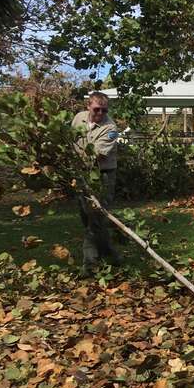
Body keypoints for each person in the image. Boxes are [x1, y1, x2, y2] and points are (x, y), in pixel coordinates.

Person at [71, 92, 121, 273]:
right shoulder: (78, 119)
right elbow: (70, 140)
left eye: (104, 110)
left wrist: (73, 158)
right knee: (86, 217)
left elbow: (97, 155)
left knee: (97, 217)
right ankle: (111, 255)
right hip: (81, 173)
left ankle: (89, 264)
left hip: (103, 176)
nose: (100, 113)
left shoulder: (111, 129)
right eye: (97, 109)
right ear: (88, 106)